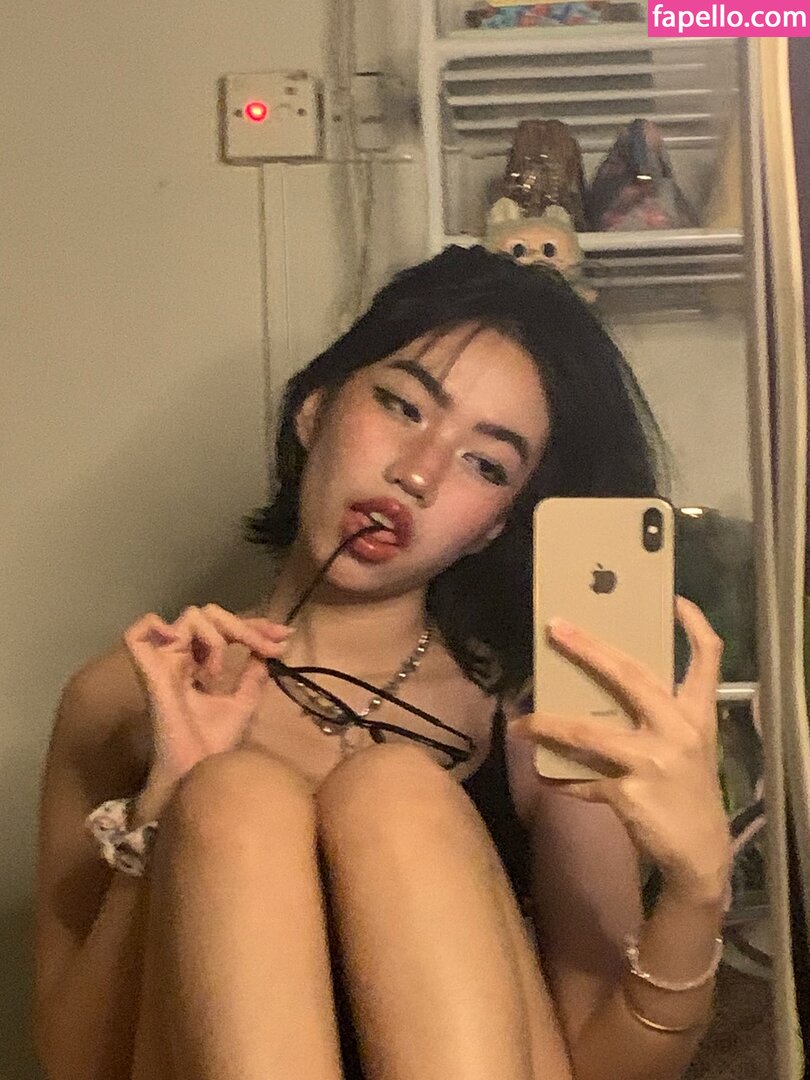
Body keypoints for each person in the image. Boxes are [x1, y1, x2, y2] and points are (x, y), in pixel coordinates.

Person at [33, 245, 733, 1080]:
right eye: (403, 406)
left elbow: (608, 1068)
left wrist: (698, 889)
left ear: (495, 525)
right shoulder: (126, 697)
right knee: (233, 799)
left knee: (395, 792)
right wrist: (164, 808)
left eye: (486, 464)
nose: (417, 473)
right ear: (315, 408)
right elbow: (76, 1063)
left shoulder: (540, 724)